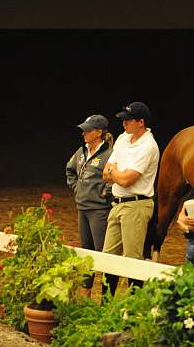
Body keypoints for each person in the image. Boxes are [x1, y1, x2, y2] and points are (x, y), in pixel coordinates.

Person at [102, 101, 160, 295]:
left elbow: (127, 180)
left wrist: (115, 172)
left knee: (132, 260)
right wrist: (118, 173)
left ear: (141, 122)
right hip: (117, 203)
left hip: (136, 205)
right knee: (108, 258)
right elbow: (105, 173)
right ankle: (105, 305)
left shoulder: (148, 145)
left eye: (128, 120)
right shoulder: (122, 139)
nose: (124, 124)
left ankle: (133, 309)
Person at [65, 114, 114, 297]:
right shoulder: (81, 151)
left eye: (88, 130)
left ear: (99, 132)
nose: (84, 133)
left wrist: (105, 193)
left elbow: (113, 176)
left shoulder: (109, 154)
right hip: (82, 209)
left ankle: (107, 296)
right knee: (87, 253)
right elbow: (69, 169)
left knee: (103, 253)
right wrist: (77, 187)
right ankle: (85, 295)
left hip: (99, 211)